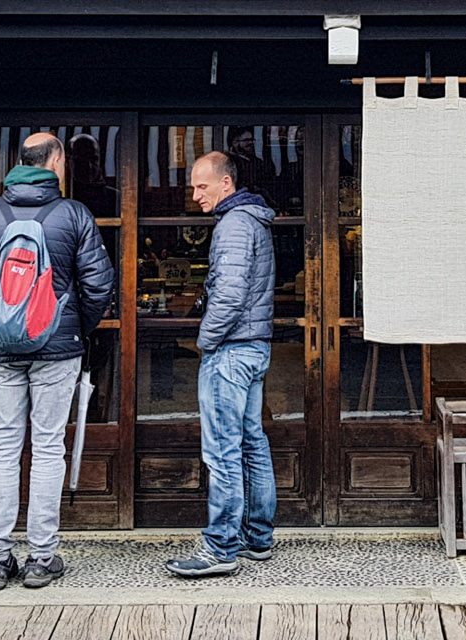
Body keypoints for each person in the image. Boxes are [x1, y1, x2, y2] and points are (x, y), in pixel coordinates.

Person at [0, 132, 115, 590]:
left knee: (2, 447)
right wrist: (78, 327)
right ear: (56, 162)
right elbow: (99, 285)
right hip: (57, 348)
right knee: (47, 448)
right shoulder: (73, 214)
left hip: (0, 351)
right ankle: (42, 557)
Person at [166, 151, 277, 577]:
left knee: (223, 450)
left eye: (202, 186)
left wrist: (205, 342)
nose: (195, 195)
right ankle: (258, 538)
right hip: (254, 347)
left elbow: (229, 296)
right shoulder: (253, 220)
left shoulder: (232, 225)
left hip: (230, 351)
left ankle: (220, 548)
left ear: (226, 184)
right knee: (252, 441)